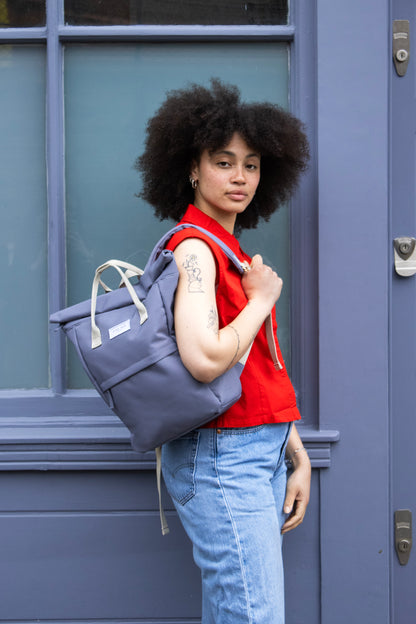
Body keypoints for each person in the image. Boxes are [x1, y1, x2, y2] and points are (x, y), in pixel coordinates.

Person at [136, 79, 311, 624]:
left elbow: (254, 366)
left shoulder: (225, 249)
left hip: (254, 450)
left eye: (252, 165)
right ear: (192, 168)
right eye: (223, 161)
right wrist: (261, 301)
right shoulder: (195, 248)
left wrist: (294, 449)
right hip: (222, 459)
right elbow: (206, 360)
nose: (240, 177)